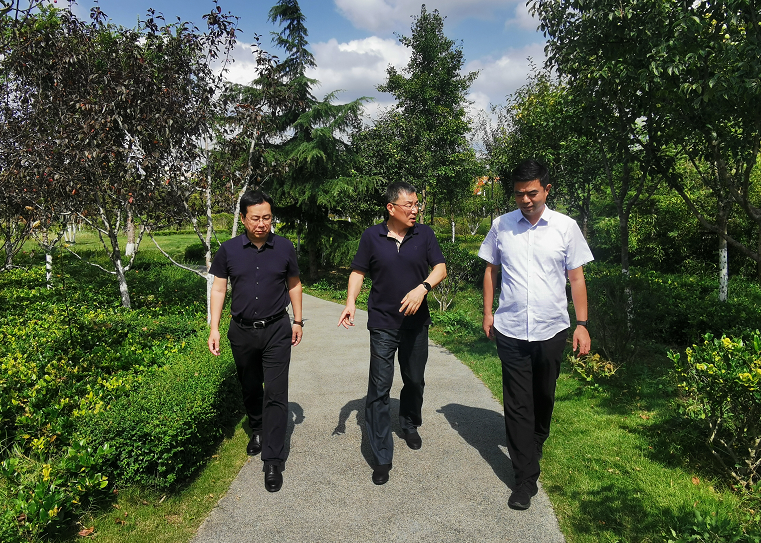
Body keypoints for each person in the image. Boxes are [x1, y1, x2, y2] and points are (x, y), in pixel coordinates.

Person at [479, 159, 593, 510]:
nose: (526, 200)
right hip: (510, 328)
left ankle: (538, 436)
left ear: (546, 189)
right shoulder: (501, 226)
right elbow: (491, 269)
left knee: (544, 394)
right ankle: (525, 479)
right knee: (517, 404)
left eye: (532, 193)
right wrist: (487, 312)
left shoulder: (565, 227)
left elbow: (576, 278)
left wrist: (582, 324)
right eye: (519, 194)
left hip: (551, 328)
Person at [338, 182, 447, 485]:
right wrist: (350, 302)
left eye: (416, 204)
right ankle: (382, 454)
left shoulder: (424, 234)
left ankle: (409, 423)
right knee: (379, 387)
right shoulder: (371, 236)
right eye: (409, 205)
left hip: (416, 323)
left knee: (414, 379)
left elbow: (440, 268)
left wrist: (423, 288)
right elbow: (358, 272)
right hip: (383, 323)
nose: (415, 210)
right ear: (391, 208)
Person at [208, 189, 303, 493]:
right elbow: (219, 289)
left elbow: (294, 284)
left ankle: (272, 460)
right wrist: (214, 328)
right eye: (255, 218)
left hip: (277, 329)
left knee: (275, 392)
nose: (262, 224)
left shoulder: (284, 247)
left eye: (267, 218)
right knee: (250, 386)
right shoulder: (228, 250)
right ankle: (258, 428)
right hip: (242, 331)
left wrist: (298, 320)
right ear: (243, 218)